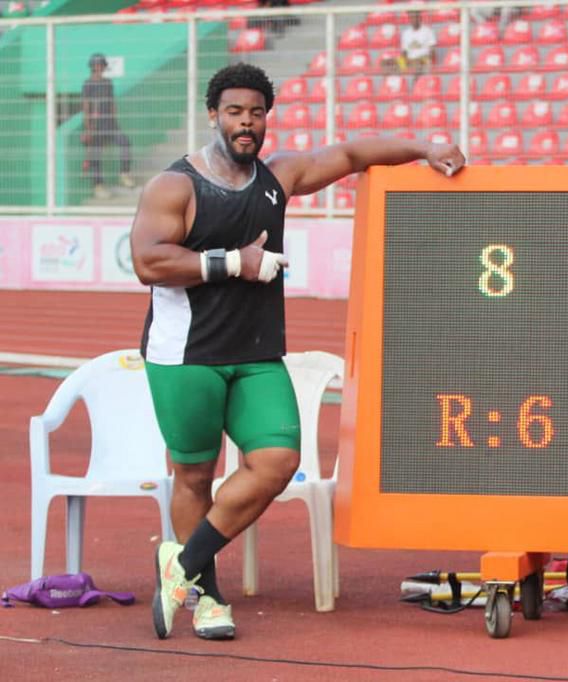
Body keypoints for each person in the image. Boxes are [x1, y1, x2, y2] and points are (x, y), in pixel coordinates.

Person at [130, 62, 464, 641]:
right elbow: (148, 262)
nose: (246, 123)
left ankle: (179, 565)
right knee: (193, 476)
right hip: (186, 354)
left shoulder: (276, 178)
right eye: (235, 112)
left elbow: (352, 154)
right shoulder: (176, 185)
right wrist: (236, 262)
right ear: (214, 115)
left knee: (278, 462)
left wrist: (424, 146)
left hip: (257, 352)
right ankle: (208, 599)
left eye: (257, 114)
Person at [81, 53, 134, 199]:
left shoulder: (108, 83)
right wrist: (88, 128)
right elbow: (86, 107)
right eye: (97, 65)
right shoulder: (88, 84)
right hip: (95, 126)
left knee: (125, 142)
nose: (100, 68)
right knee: (95, 157)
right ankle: (98, 186)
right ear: (92, 67)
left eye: (102, 65)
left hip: (110, 124)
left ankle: (124, 174)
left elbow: (112, 103)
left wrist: (114, 121)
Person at [398, 10, 436, 75]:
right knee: (387, 63)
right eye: (411, 17)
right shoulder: (406, 33)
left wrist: (425, 59)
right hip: (410, 60)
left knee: (417, 63)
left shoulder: (428, 31)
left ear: (420, 18)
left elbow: (432, 52)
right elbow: (404, 52)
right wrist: (402, 63)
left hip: (423, 60)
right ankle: (398, 82)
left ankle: (417, 83)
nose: (414, 19)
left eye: (416, 17)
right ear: (409, 19)